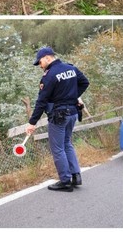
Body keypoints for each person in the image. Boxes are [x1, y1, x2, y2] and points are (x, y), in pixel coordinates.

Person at [26, 47, 89, 192]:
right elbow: (85, 82)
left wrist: (32, 122)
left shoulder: (49, 76)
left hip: (59, 116)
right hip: (73, 112)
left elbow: (41, 101)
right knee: (67, 143)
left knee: (57, 148)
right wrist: (73, 96)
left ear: (48, 58)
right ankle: (76, 176)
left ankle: (65, 180)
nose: (40, 66)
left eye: (40, 62)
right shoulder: (71, 68)